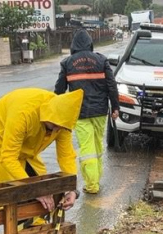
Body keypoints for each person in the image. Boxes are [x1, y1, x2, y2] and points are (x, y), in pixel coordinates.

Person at [0, 88, 84, 211]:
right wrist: (35, 190)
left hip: (25, 146)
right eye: (54, 125)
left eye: (59, 128)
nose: (56, 130)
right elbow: (8, 157)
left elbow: (66, 156)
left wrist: (72, 189)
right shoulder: (23, 114)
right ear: (47, 114)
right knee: (9, 188)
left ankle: (32, 222)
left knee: (41, 189)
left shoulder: (63, 122)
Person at [54, 29, 119, 195]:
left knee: (87, 149)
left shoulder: (67, 63)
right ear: (90, 44)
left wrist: (54, 110)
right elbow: (112, 85)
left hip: (80, 113)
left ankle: (92, 184)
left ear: (73, 46)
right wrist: (116, 107)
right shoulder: (101, 60)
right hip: (100, 111)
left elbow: (59, 89)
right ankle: (95, 179)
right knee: (97, 147)